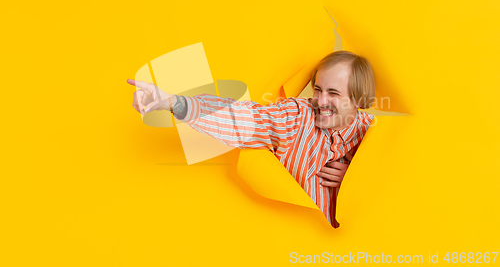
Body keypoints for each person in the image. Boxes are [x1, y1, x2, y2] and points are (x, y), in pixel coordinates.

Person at [127, 50, 376, 227]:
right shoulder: (297, 117)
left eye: (333, 93)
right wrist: (175, 103)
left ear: (359, 99)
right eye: (318, 89)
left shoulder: (374, 134)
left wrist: (358, 177)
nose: (321, 101)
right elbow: (241, 119)